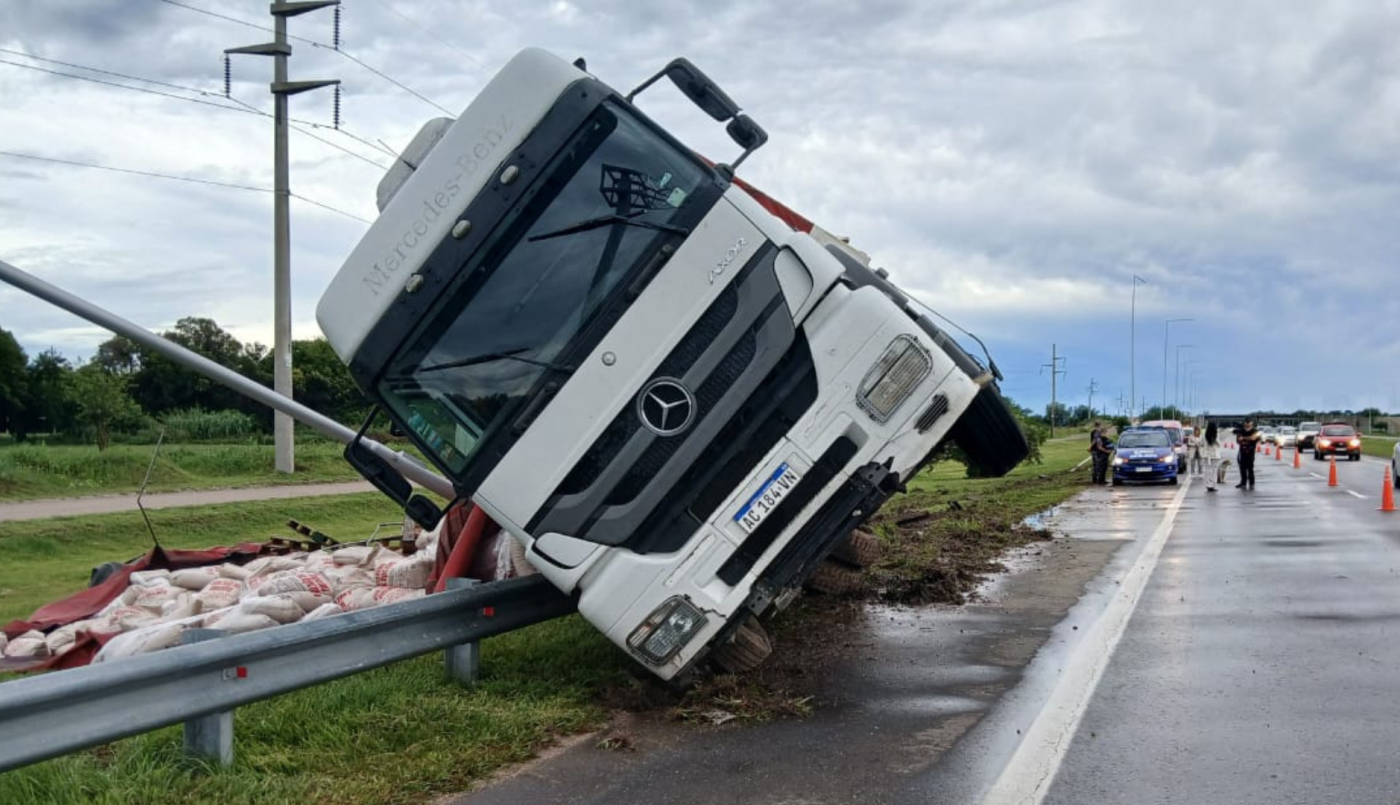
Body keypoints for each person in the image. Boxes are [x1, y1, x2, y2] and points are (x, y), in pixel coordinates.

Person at [1233, 418, 1261, 489]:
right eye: (1246, 426)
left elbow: (1253, 438)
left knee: (1250, 468)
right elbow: (1238, 440)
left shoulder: (1255, 431)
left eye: (1249, 426)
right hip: (1242, 451)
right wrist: (1242, 438)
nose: (1247, 427)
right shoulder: (1241, 431)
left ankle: (1251, 482)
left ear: (1251, 425)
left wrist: (1244, 438)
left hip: (1251, 451)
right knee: (1242, 468)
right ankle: (1243, 482)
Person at [1201, 422, 1222, 492]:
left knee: (1207, 470)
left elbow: (1200, 443)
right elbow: (1219, 444)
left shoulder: (1204, 435)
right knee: (1214, 471)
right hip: (1215, 455)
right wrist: (1215, 439)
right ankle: (1213, 486)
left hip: (1206, 455)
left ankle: (1208, 485)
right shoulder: (1216, 435)